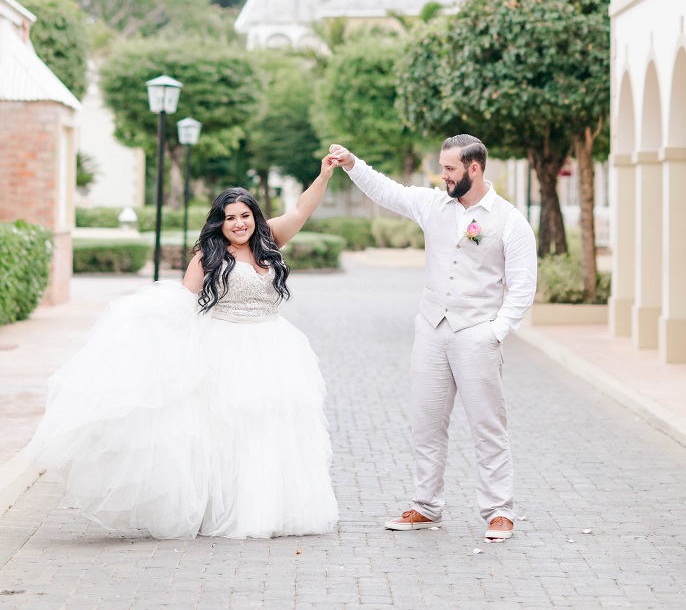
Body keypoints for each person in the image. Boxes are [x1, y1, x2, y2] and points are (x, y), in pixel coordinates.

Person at [29, 155, 342, 540]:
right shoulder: (208, 256)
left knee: (274, 427)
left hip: (275, 347)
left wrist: (325, 174)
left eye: (245, 215)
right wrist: (143, 326)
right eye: (230, 218)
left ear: (255, 218)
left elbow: (301, 207)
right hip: (226, 347)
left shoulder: (270, 240)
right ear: (219, 223)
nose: (239, 223)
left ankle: (269, 507)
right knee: (230, 432)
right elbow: (181, 303)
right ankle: (224, 508)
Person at [329, 134, 536, 543]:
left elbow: (524, 286)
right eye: (443, 168)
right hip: (431, 331)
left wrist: (493, 333)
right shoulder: (431, 205)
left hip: (476, 334)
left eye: (450, 169)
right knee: (426, 424)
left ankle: (499, 511)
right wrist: (353, 163)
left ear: (474, 168)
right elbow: (387, 191)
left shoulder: (510, 220)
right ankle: (426, 507)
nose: (443, 175)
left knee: (487, 426)